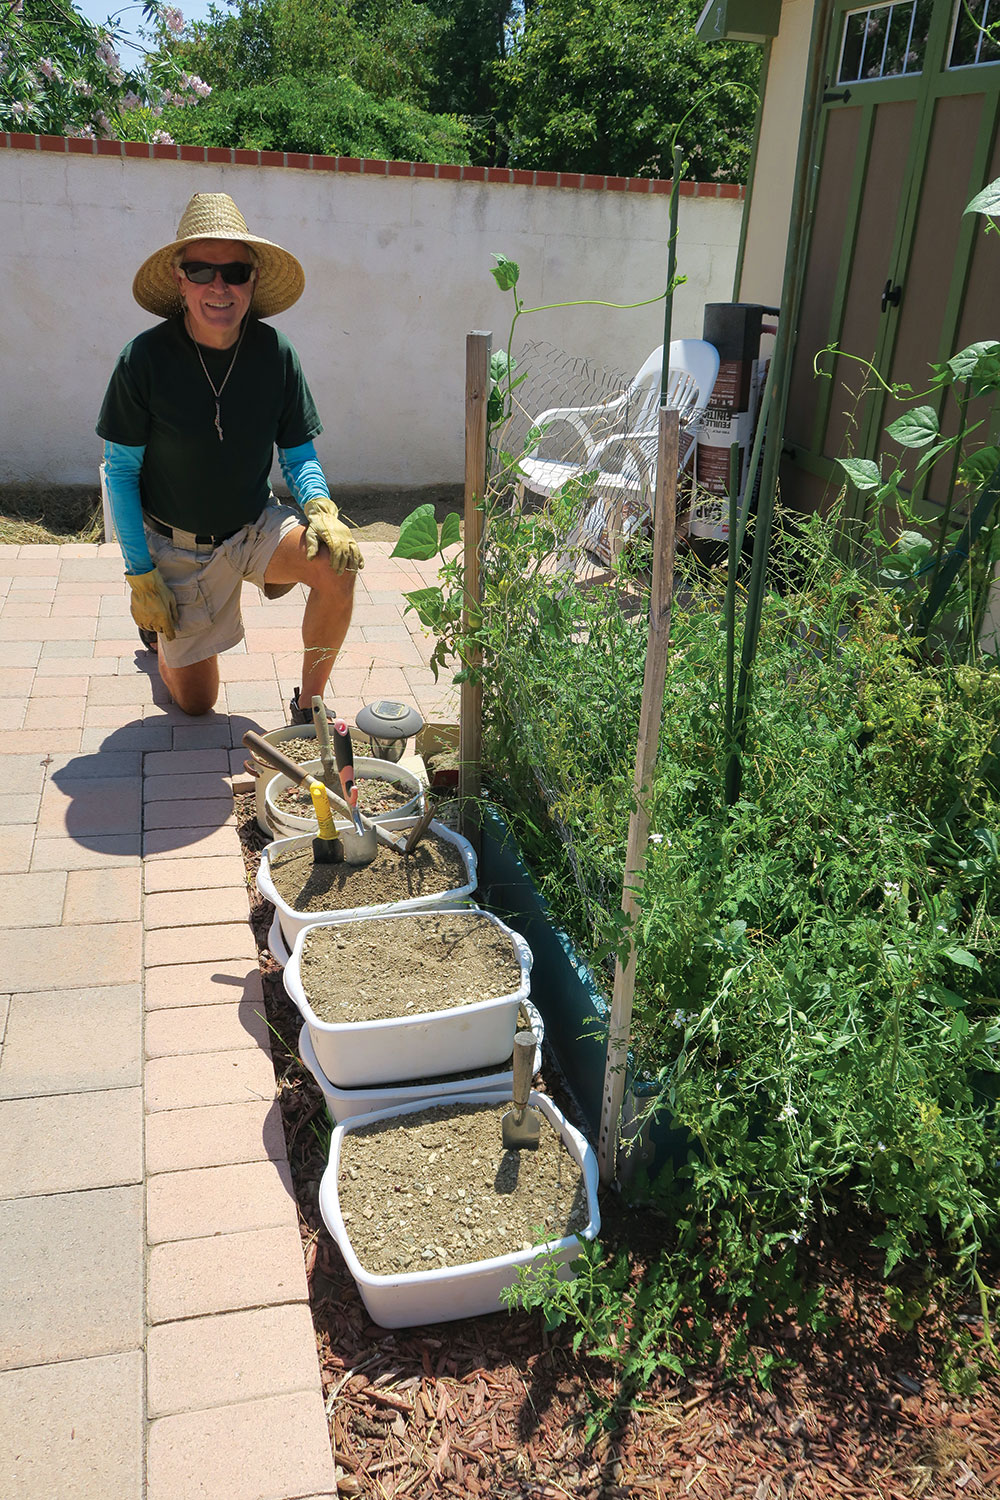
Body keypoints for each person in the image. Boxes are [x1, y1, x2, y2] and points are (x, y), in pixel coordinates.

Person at [97, 191, 361, 721]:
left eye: (235, 271)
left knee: (338, 564)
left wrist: (320, 508)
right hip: (179, 545)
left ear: (252, 280)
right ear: (180, 279)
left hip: (252, 523)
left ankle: (309, 708)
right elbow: (121, 474)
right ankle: (159, 640)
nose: (219, 286)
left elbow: (298, 451)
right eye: (201, 269)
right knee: (197, 703)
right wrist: (139, 574)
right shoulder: (143, 360)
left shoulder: (275, 353)